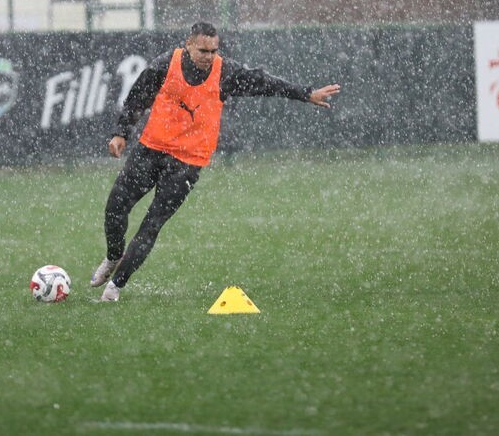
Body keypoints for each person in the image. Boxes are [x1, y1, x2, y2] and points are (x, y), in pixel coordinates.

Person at [91, 21, 341, 302]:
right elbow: (137, 98)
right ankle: (113, 257)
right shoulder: (165, 64)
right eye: (203, 50)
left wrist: (306, 93)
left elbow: (264, 82)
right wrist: (121, 133)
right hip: (151, 150)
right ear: (188, 45)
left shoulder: (225, 72)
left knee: (151, 225)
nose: (209, 56)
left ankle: (116, 287)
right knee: (115, 207)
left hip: (187, 162)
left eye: (213, 50)